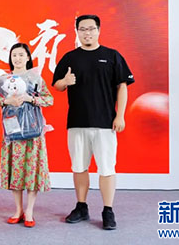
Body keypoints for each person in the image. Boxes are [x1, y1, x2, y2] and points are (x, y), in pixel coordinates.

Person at [52, 15, 134, 230]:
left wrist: (120, 115)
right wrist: (65, 81)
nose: (87, 33)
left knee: (106, 168)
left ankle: (108, 210)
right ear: (77, 31)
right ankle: (81, 206)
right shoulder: (70, 57)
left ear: (98, 30)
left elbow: (122, 86)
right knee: (79, 167)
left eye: (91, 29)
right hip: (77, 122)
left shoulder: (112, 56)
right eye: (82, 29)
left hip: (105, 123)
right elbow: (57, 85)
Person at [0, 43, 53, 228]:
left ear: (27, 57)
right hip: (12, 129)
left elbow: (49, 99)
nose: (17, 58)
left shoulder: (35, 78)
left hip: (33, 130)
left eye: (21, 55)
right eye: (14, 55)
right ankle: (18, 210)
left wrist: (30, 99)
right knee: (16, 169)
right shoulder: (4, 79)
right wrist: (6, 101)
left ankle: (30, 211)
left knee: (32, 169)